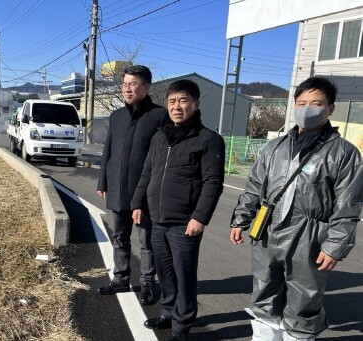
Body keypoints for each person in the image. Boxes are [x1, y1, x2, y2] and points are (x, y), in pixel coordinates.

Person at [230, 76, 362, 341]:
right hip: (267, 230)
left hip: (310, 237)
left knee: (304, 301)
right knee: (264, 293)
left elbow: (347, 205)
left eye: (316, 104)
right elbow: (255, 187)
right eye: (301, 103)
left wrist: (334, 245)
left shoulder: (343, 153)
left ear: (330, 108)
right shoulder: (274, 147)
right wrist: (240, 219)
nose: (307, 110)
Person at [131, 79, 225, 341]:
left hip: (185, 222)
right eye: (172, 101)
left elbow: (212, 183)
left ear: (196, 104)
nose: (177, 106)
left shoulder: (208, 140)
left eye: (183, 101)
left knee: (184, 275)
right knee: (164, 272)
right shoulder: (160, 136)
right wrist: (138, 203)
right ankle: (169, 312)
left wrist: (200, 217)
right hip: (156, 219)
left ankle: (182, 326)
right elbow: (147, 172)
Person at [97, 65, 167, 305]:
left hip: (146, 193)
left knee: (146, 241)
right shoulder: (116, 116)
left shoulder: (160, 116)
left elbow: (163, 156)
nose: (127, 89)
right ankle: (120, 278)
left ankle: (148, 282)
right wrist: (103, 180)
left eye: (133, 84)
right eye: (125, 84)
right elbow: (108, 152)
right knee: (119, 236)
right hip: (117, 187)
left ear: (146, 87)